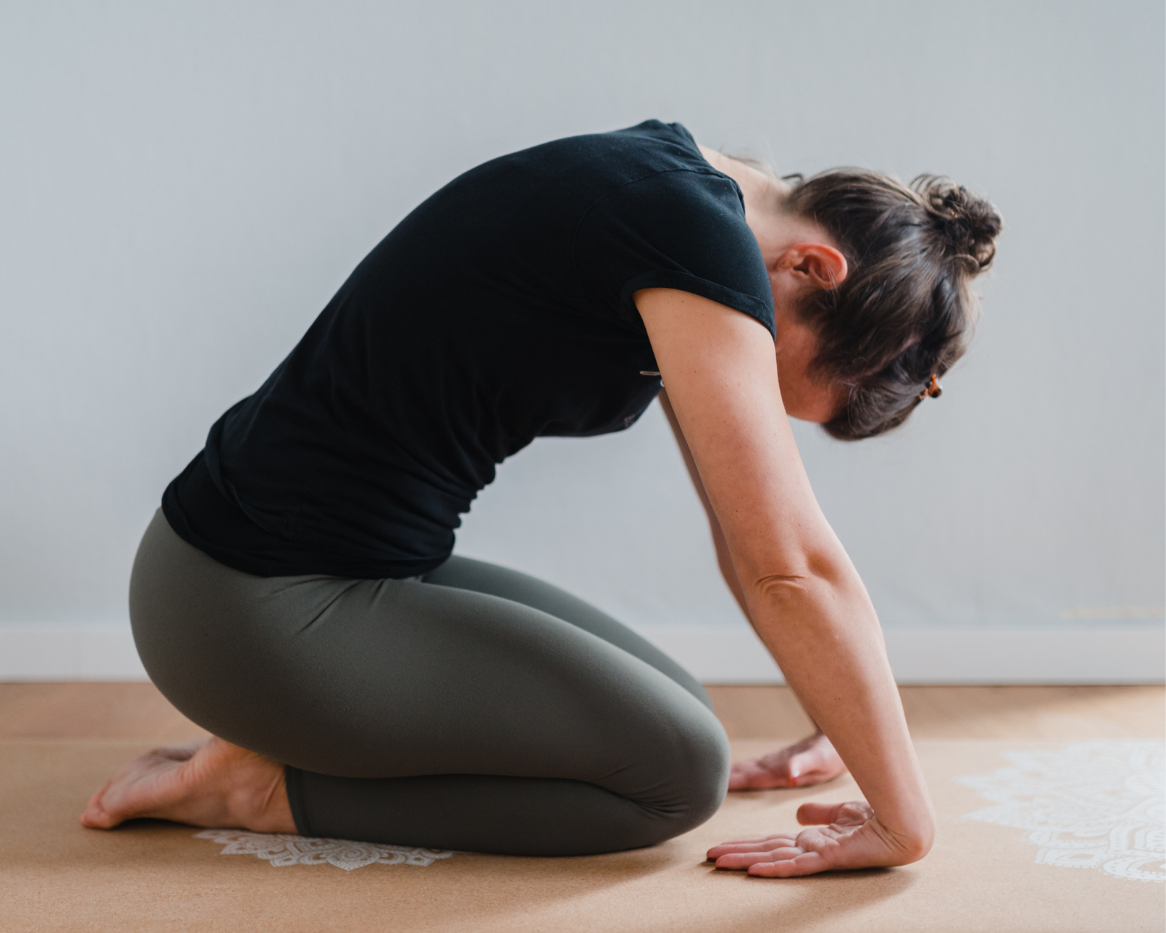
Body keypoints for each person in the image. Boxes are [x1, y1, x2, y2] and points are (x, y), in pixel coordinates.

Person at [80, 120, 1001, 877]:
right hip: (247, 599)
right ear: (813, 268)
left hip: (330, 570)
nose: (757, 391)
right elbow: (788, 565)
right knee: (677, 773)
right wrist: (904, 817)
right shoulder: (690, 235)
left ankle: (287, 742)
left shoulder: (700, 196)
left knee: (673, 712)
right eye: (774, 370)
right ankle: (261, 788)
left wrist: (839, 711)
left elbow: (747, 527)